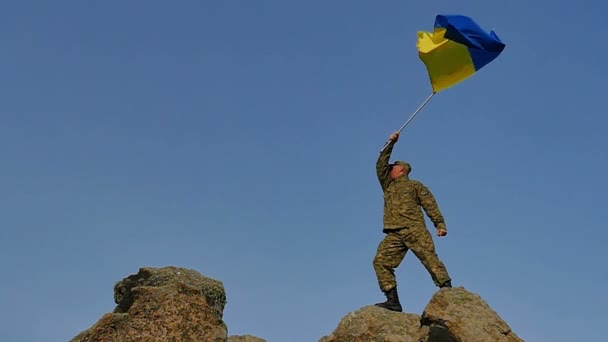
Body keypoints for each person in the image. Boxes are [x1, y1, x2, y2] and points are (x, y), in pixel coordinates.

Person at [373, 131, 452, 312]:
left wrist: (439, 224)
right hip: (395, 232)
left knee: (430, 259)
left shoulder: (415, 186)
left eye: (393, 167)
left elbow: (430, 204)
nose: (389, 169)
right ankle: (393, 301)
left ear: (401, 169)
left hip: (414, 229)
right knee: (380, 261)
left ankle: (447, 290)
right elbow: (380, 165)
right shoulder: (388, 185)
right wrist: (390, 144)